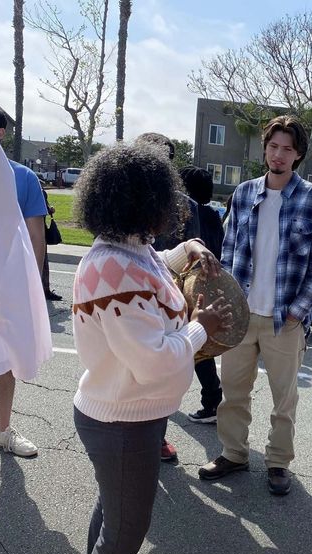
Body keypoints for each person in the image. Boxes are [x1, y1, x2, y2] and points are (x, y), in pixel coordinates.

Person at [72, 142, 231, 554]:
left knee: (113, 514)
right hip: (123, 420)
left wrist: (188, 249)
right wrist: (201, 326)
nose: (171, 207)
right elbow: (154, 361)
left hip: (122, 411)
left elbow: (153, 266)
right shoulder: (116, 270)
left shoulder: (122, 249)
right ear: (144, 201)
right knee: (125, 529)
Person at [199, 115, 312, 496]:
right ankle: (233, 452)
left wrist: (297, 310)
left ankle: (277, 462)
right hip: (241, 314)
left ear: (299, 154)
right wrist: (225, 300)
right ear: (265, 149)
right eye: (273, 147)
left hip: (284, 318)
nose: (278, 155)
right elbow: (228, 250)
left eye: (287, 149)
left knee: (283, 399)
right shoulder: (243, 193)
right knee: (233, 392)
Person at [135, 132, 199, 461]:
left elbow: (194, 248)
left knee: (164, 372)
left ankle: (156, 437)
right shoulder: (123, 200)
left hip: (172, 296)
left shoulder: (182, 204)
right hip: (136, 297)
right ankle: (135, 436)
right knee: (138, 368)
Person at [0, 101, 48, 457]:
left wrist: (33, 292)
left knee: (5, 357)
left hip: (4, 286)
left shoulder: (21, 177)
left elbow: (35, 237)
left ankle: (4, 429)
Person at [180, 167, 226, 424]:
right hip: (207, 284)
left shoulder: (186, 212)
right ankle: (212, 400)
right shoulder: (213, 215)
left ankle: (212, 401)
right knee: (200, 347)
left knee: (188, 345)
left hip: (187, 284)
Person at [42, 189, 63, 301]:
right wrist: (49, 209)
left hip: (26, 230)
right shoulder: (38, 189)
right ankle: (45, 291)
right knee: (42, 262)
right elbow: (41, 209)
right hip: (38, 231)